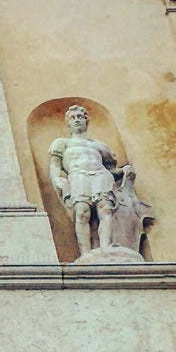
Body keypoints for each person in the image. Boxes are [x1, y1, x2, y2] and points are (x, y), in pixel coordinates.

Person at [47, 104, 119, 258]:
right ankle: (85, 253)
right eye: (73, 118)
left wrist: (125, 171)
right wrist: (57, 179)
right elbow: (55, 165)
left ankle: (106, 246)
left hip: (101, 175)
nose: (77, 120)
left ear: (87, 121)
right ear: (68, 123)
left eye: (80, 117)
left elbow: (111, 169)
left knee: (105, 209)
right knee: (82, 212)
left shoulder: (99, 145)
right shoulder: (62, 143)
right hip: (78, 176)